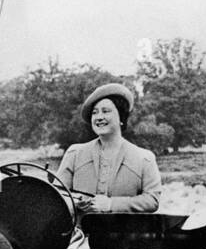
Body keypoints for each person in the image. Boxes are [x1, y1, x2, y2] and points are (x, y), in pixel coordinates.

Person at [55, 83, 161, 213]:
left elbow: (152, 200)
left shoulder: (144, 158)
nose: (99, 117)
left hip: (124, 232)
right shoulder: (75, 154)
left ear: (121, 117)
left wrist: (111, 204)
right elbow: (56, 196)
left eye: (106, 111)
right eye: (95, 113)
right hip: (80, 232)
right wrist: (75, 203)